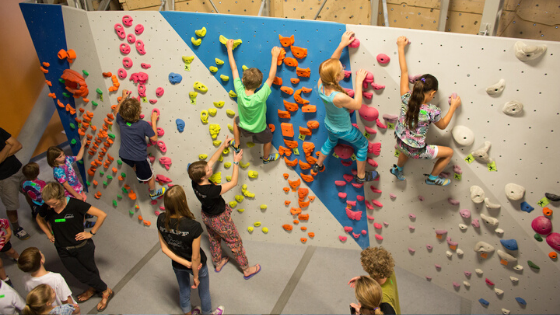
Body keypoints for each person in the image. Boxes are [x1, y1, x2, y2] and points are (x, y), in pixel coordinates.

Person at [391, 35, 461, 186]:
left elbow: (404, 72)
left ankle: (398, 168)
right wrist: (453, 108)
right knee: (449, 153)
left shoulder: (405, 97)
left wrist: (400, 47)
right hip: (417, 151)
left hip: (401, 142)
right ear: (432, 94)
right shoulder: (432, 111)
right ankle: (432, 179)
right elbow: (442, 126)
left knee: (405, 150)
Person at [188, 136, 261, 279]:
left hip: (207, 216)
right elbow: (233, 182)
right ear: (204, 176)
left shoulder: (194, 182)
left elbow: (211, 161)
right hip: (219, 219)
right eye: (208, 170)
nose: (210, 168)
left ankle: (217, 262)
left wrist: (223, 146)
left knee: (214, 239)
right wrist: (236, 161)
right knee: (235, 242)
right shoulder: (211, 191)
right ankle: (246, 269)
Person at [311, 31, 378, 183]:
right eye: (342, 69)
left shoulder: (321, 84)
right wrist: (359, 82)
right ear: (337, 77)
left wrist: (342, 45)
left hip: (329, 125)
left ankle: (318, 164)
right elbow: (357, 104)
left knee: (330, 142)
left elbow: (331, 62)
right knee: (363, 145)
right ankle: (361, 176)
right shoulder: (339, 96)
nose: (344, 68)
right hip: (345, 130)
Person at [36, 182, 113, 312]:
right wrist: (49, 233)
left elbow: (102, 214)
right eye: (48, 204)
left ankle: (100, 289)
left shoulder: (76, 204)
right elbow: (39, 219)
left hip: (82, 247)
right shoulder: (47, 207)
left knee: (90, 270)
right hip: (62, 249)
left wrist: (91, 233)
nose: (50, 207)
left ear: (61, 197)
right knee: (80, 273)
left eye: (54, 204)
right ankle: (103, 289)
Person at [157, 185, 224, 315]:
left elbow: (164, 248)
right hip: (197, 265)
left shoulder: (161, 219)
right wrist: (196, 276)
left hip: (177, 264)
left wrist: (183, 263)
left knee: (184, 291)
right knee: (204, 293)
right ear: (183, 201)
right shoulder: (193, 226)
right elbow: (195, 257)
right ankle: (207, 313)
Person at [226, 39, 281, 164]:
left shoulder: (239, 91)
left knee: (236, 120)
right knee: (268, 140)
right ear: (260, 84)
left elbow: (234, 69)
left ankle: (237, 144)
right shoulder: (260, 96)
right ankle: (266, 158)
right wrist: (275, 56)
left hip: (244, 126)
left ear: (242, 80)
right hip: (260, 128)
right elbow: (271, 77)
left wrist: (229, 49)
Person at [113, 89, 165, 199]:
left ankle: (140, 176)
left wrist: (123, 98)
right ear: (138, 112)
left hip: (124, 155)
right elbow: (154, 138)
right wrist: (154, 121)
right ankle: (153, 194)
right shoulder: (143, 125)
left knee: (134, 165)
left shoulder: (121, 120)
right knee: (151, 176)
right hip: (139, 158)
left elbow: (115, 111)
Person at [18, 247, 79, 314]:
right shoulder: (56, 278)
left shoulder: (25, 279)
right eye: (41, 253)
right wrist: (73, 309)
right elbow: (66, 299)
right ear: (41, 261)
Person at [349, 247, 400, 314]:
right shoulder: (388, 270)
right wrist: (363, 278)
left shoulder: (381, 296)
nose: (361, 263)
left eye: (363, 265)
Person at [0, 127, 30, 240]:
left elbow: (18, 145)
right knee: (11, 205)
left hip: (19, 168)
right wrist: (7, 146)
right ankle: (16, 228)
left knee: (30, 192)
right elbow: (11, 145)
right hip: (4, 178)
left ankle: (35, 211)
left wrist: (3, 154)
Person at [0, 217, 20, 286]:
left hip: (2, 241)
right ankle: (5, 279)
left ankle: (19, 259)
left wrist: (9, 233)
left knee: (11, 252)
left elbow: (4, 222)